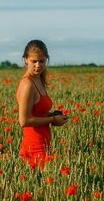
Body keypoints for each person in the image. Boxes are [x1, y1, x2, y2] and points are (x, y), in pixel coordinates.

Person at [16, 39, 67, 168]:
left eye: (41, 61)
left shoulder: (38, 80)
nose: (38, 65)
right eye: (34, 61)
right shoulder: (27, 84)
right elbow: (24, 120)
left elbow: (37, 113)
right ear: (26, 59)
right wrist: (52, 119)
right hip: (34, 146)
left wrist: (52, 116)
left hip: (44, 143)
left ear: (47, 60)